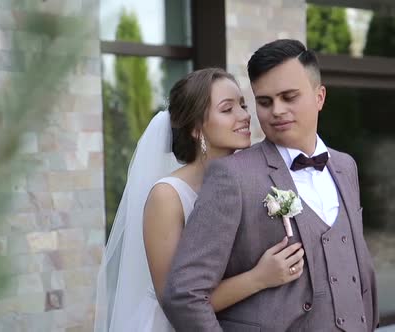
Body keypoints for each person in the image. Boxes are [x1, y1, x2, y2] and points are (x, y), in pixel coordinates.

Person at [162, 39, 379, 331]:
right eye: (264, 102)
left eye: (289, 97)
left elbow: (357, 267)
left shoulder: (345, 166)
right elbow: (184, 294)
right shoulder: (232, 176)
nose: (276, 110)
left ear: (320, 97)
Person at [94, 68, 305, 332]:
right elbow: (175, 300)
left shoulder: (253, 181)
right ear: (196, 128)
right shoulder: (167, 196)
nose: (244, 116)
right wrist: (259, 278)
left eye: (242, 105)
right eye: (227, 109)